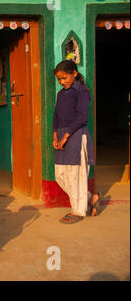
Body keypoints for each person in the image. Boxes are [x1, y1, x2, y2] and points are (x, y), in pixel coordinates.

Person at [52, 60, 101, 224]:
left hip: (76, 135)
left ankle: (79, 211)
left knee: (76, 175)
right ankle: (89, 197)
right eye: (59, 79)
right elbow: (56, 115)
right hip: (61, 135)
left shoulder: (82, 91)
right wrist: (55, 136)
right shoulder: (61, 94)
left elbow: (81, 117)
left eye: (64, 78)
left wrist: (66, 136)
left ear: (74, 73)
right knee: (60, 175)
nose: (62, 82)